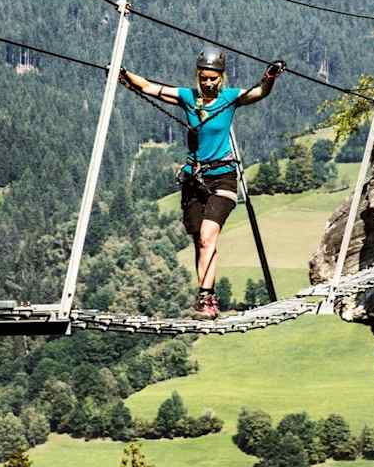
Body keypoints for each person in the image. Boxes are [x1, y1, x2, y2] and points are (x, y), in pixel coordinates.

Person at [119, 45, 285, 318]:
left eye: (213, 78)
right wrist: (124, 74)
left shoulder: (231, 98)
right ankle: (208, 298)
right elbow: (149, 87)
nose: (208, 83)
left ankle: (205, 299)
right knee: (200, 241)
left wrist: (270, 76)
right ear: (198, 76)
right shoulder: (188, 97)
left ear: (222, 77)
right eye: (204, 78)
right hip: (194, 179)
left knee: (208, 237)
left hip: (223, 177)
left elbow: (259, 92)